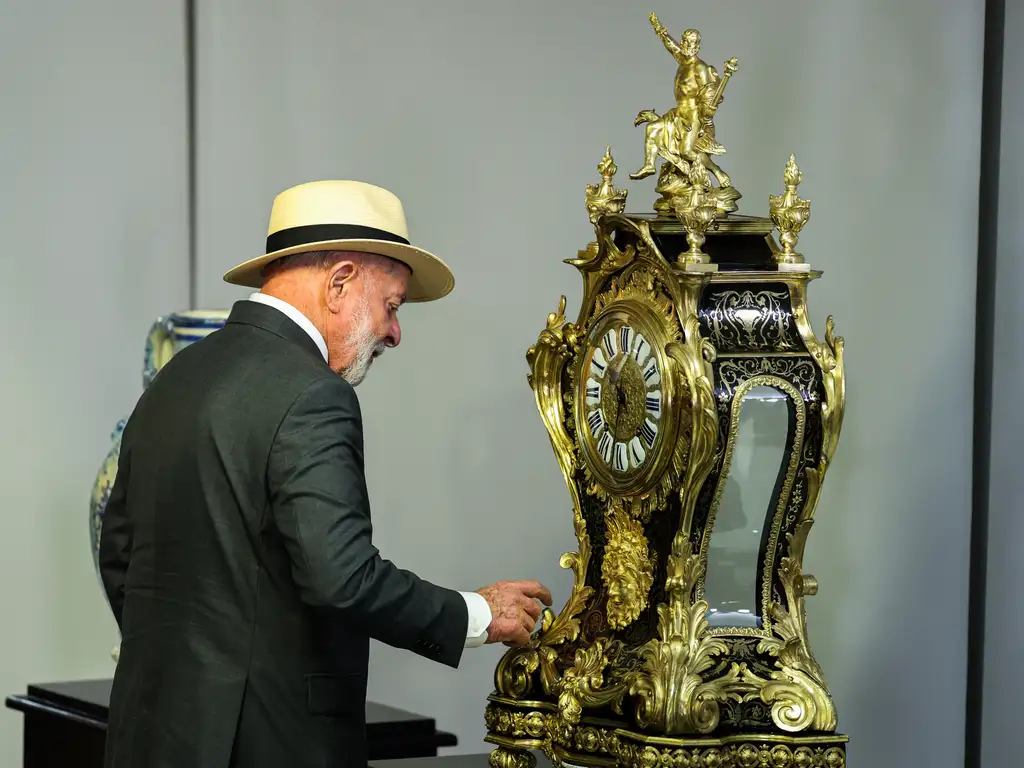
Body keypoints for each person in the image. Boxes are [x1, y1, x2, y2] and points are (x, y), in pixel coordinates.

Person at [98, 179, 553, 768]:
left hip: (148, 736)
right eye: (392, 305)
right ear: (339, 283)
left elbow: (119, 553)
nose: (395, 332)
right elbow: (339, 577)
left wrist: (187, 675)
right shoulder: (315, 394)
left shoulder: (175, 377)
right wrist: (478, 614)